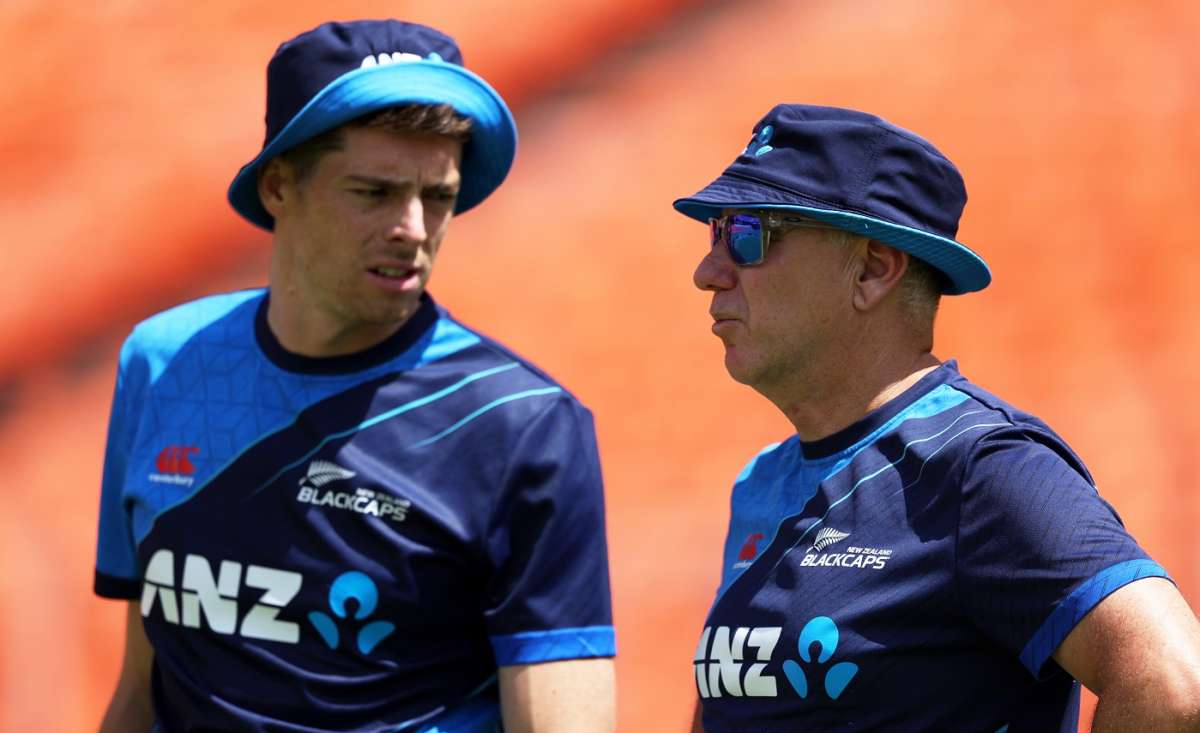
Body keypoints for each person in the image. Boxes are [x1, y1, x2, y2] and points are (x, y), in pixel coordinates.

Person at [93, 20, 615, 733]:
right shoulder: (165, 364)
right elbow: (140, 687)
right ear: (278, 186)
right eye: (373, 192)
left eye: (438, 196)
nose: (413, 228)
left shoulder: (524, 426)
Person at [675, 104, 1200, 731]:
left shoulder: (984, 467)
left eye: (747, 234)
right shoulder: (762, 480)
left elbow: (1172, 683)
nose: (708, 273)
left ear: (872, 270)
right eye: (715, 234)